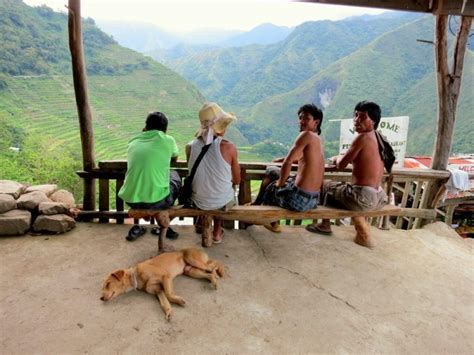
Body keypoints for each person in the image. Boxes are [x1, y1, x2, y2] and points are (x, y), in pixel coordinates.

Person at [305, 100, 388, 248]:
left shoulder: (362, 138)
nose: (356, 120)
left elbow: (342, 164)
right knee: (341, 191)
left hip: (362, 197)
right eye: (355, 116)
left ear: (373, 120)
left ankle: (325, 225)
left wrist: (337, 158)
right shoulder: (379, 137)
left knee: (325, 185)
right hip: (380, 196)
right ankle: (362, 233)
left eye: (362, 117)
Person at [252, 103, 325, 232]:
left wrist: (280, 184)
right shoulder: (318, 140)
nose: (302, 121)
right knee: (273, 171)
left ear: (316, 122)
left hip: (299, 200)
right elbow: (304, 160)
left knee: (271, 187)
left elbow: (288, 162)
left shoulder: (306, 135)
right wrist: (281, 161)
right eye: (300, 118)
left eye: (306, 118)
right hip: (313, 200)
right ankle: (258, 206)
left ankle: (269, 220)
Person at [118, 111, 181, 241]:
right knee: (174, 175)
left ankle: (143, 221)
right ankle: (161, 221)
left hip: (131, 200)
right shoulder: (168, 140)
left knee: (148, 183)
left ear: (146, 126)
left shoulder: (133, 141)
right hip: (157, 202)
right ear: (165, 129)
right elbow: (175, 157)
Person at [185, 102, 240, 245]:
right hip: (221, 202)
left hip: (198, 201)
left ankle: (201, 222)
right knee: (224, 192)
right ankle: (217, 231)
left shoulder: (190, 147)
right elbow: (237, 179)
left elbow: (194, 173)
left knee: (206, 188)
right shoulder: (229, 148)